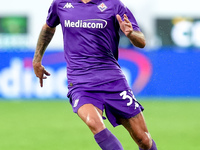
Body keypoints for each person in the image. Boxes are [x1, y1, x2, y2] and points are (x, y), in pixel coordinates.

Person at [32, 0, 157, 149]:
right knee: (94, 122)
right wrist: (37, 60)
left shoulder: (114, 5)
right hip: (80, 82)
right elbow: (48, 27)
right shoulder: (60, 3)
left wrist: (131, 34)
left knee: (143, 139)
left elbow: (141, 41)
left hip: (112, 80)